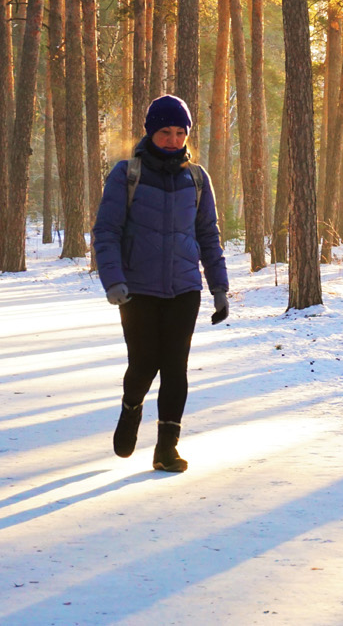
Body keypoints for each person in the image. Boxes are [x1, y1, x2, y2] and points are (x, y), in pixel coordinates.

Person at [92, 94, 229, 473]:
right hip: (137, 289)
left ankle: (166, 448)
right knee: (143, 364)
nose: (172, 140)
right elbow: (106, 232)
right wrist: (114, 281)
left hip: (185, 289)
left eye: (179, 132)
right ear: (150, 133)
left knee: (175, 367)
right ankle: (131, 408)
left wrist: (219, 287)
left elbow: (208, 235)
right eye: (165, 132)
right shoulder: (127, 174)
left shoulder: (197, 179)